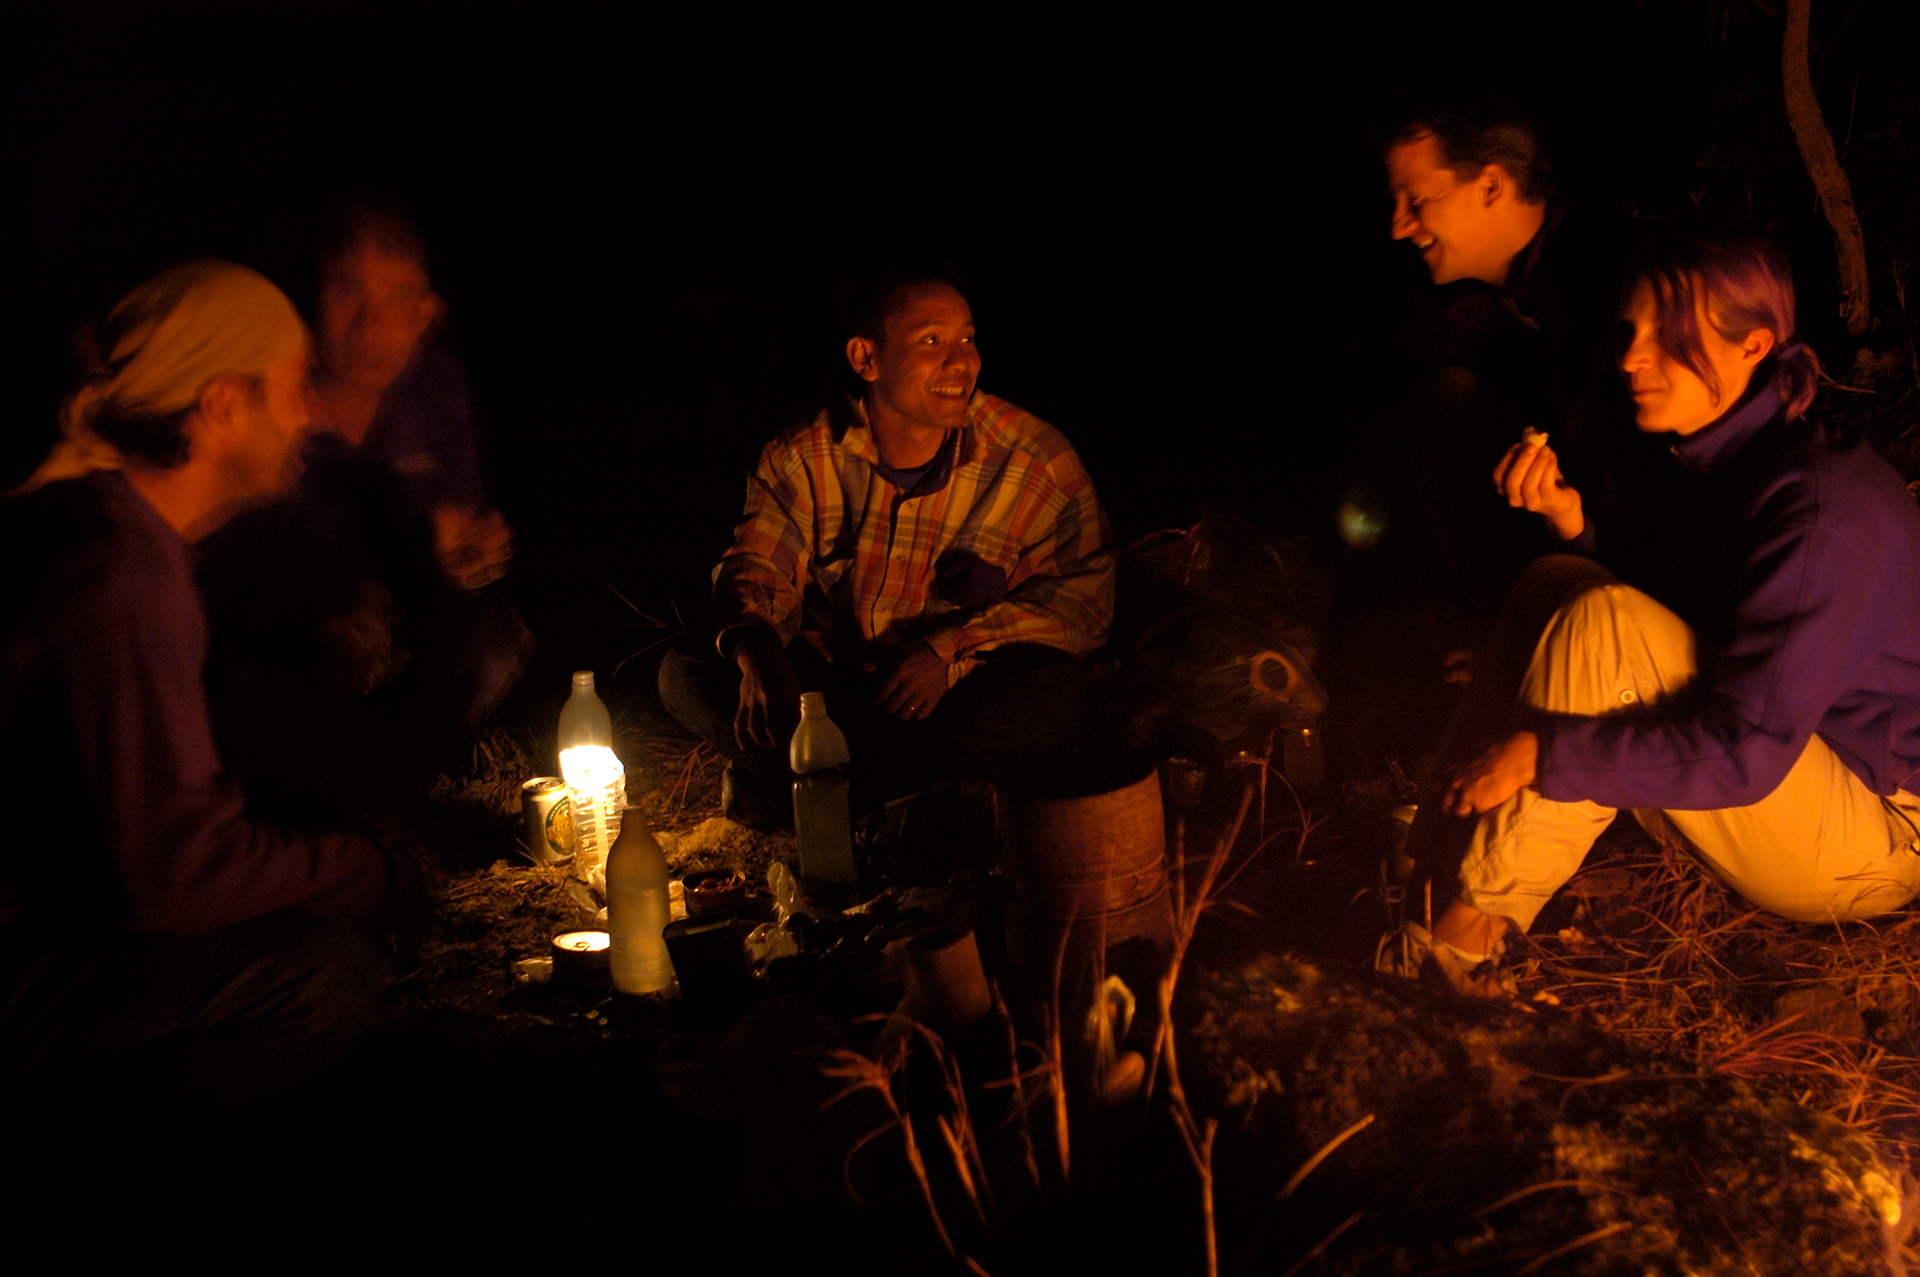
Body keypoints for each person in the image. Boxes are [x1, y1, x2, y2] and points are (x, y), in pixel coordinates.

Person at [1397, 232, 1920, 995]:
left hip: (1875, 834)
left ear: (1754, 345)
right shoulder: (1734, 457)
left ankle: (1458, 954)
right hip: (1796, 771)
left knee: (1600, 616)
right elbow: (1671, 619)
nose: (1633, 357)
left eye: (1669, 337)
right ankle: (1424, 886)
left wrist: (1545, 755)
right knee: (1560, 578)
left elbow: (1746, 751)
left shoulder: (1815, 511)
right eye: (1630, 331)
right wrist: (1570, 520)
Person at [0, 261, 412, 1107]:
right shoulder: (120, 581)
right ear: (224, 403)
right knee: (320, 978)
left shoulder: (123, 532)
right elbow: (176, 874)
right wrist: (365, 872)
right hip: (16, 951)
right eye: (292, 388)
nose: (310, 414)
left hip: (45, 904)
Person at [658, 268, 1116, 821]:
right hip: (832, 686)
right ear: (865, 359)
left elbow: (1083, 601)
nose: (961, 361)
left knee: (1059, 693)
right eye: (932, 341)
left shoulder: (1033, 458)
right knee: (685, 672)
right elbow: (757, 565)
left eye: (968, 338)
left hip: (951, 693)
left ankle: (816, 784)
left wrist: (947, 651)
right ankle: (894, 791)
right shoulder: (804, 455)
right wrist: (759, 654)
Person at [195, 206, 531, 815]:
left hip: (395, 630)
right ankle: (314, 784)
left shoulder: (434, 387)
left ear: (426, 314)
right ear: (311, 299)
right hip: (282, 637)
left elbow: (455, 521)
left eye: (397, 301)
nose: (370, 326)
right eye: (348, 294)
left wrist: (462, 552)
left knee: (494, 639)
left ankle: (380, 776)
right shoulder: (269, 391)